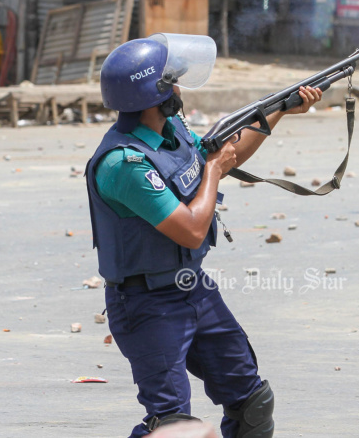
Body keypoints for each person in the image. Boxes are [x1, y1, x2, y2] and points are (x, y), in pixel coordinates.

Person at [86, 33, 322, 438]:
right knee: (173, 426)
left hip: (193, 288)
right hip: (147, 304)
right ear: (154, 93)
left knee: (252, 403)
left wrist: (280, 110)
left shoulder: (171, 129)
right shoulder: (124, 164)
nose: (177, 87)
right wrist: (213, 169)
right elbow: (194, 229)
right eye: (170, 82)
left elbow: (223, 155)